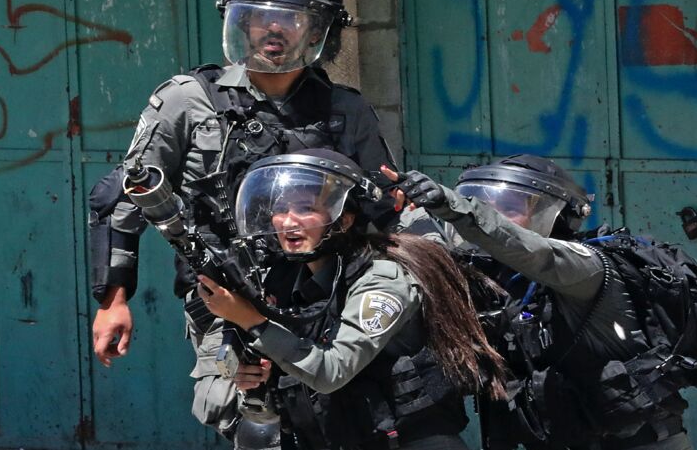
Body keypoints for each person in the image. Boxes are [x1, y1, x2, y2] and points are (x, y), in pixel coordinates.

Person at [87, 0, 398, 443]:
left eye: (291, 19)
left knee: (343, 422)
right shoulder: (188, 100)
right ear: (239, 23)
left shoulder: (346, 110)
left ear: (319, 30)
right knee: (253, 421)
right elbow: (124, 194)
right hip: (226, 297)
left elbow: (382, 211)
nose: (272, 30)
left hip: (326, 298)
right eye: (258, 18)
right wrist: (114, 299)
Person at [197, 149, 509, 450]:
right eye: (281, 208)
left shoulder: (382, 278)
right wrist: (261, 372)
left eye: (305, 208)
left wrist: (251, 320)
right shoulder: (292, 281)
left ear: (344, 219)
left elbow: (331, 370)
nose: (289, 221)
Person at [383, 155, 697, 450]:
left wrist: (452, 205)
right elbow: (437, 251)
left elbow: (529, 250)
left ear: (554, 215)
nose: (493, 215)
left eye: (507, 207)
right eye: (482, 202)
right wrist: (397, 208)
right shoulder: (497, 273)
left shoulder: (584, 265)